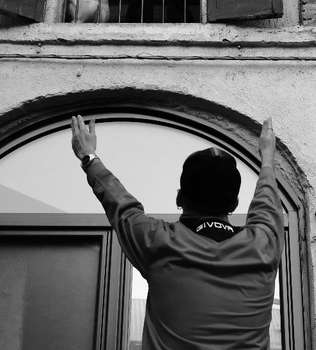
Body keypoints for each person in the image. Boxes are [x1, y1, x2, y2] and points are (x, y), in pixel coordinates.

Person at [70, 115, 284, 350]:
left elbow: (119, 203)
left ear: (179, 198)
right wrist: (267, 160)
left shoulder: (158, 242)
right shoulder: (263, 246)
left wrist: (89, 156)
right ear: (234, 204)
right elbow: (267, 203)